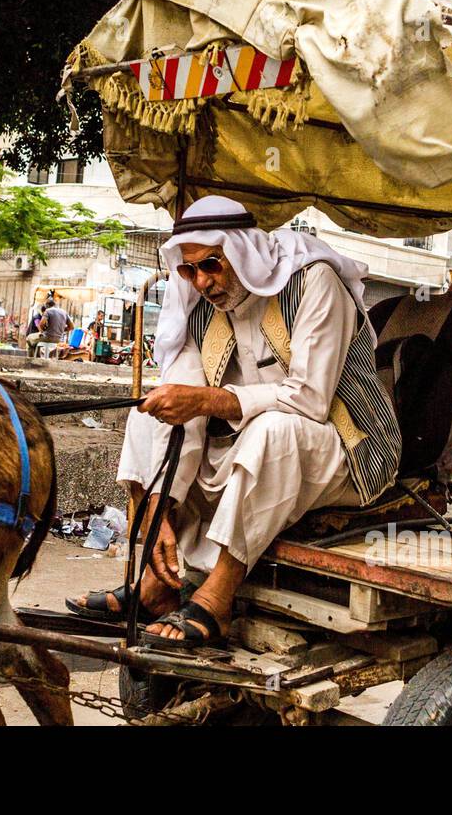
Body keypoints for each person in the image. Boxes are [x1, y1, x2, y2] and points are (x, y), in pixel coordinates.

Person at [66, 196, 404, 649]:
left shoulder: (313, 283)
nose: (201, 282)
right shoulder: (203, 309)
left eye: (211, 265)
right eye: (189, 271)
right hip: (251, 451)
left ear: (242, 251)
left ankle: (217, 597)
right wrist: (158, 510)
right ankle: (156, 585)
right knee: (147, 413)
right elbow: (178, 409)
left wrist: (206, 399)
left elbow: (309, 400)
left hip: (347, 446)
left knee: (273, 432)